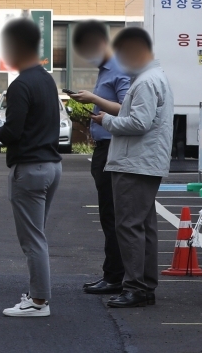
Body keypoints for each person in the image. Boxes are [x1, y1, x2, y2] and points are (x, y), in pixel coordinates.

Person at [0, 17, 61, 318]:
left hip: (30, 169)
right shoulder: (46, 79)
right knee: (37, 234)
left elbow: (13, 132)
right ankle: (38, 296)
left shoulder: (21, 85)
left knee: (32, 239)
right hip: (52, 166)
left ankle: (39, 301)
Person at [95, 27, 174, 308]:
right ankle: (143, 285)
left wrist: (105, 121)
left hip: (135, 162)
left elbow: (138, 124)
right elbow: (140, 117)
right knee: (144, 227)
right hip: (145, 162)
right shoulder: (154, 77)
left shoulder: (144, 82)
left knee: (128, 225)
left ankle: (136, 287)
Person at [66, 21, 132, 297]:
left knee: (112, 213)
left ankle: (115, 276)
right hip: (103, 146)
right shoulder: (106, 70)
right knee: (109, 213)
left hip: (113, 148)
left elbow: (128, 107)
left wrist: (93, 97)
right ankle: (113, 274)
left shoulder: (118, 68)